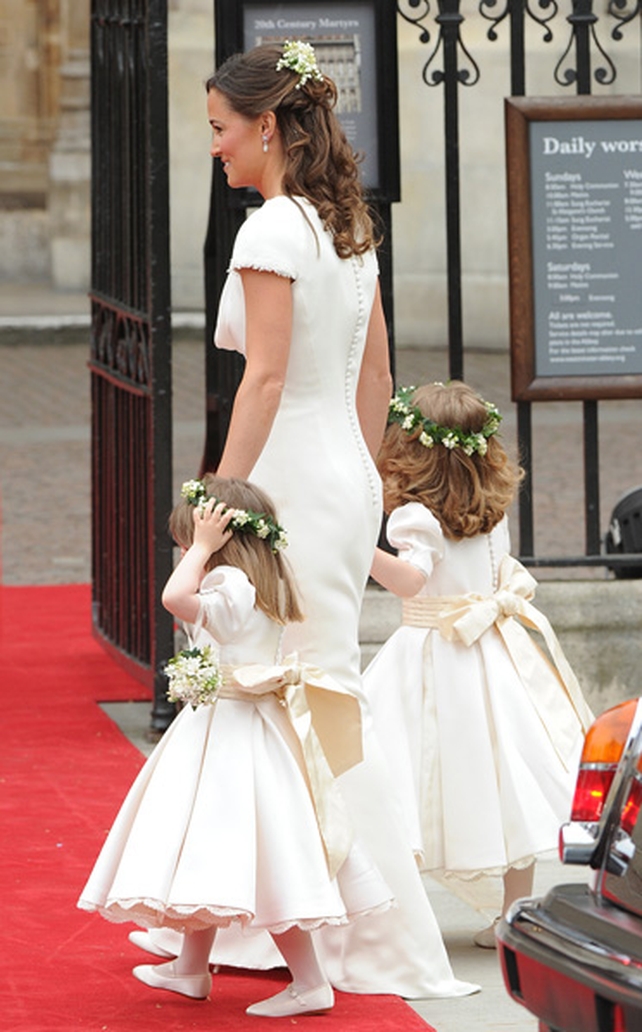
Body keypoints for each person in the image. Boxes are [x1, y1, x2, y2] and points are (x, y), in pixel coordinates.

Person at [132, 40, 477, 998]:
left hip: (287, 476)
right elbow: (375, 378)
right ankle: (269, 928)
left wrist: (217, 498)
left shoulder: (271, 231)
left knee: (285, 695)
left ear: (269, 126)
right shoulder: (348, 225)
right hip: (339, 479)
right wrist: (365, 482)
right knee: (314, 696)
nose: (214, 148)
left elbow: (268, 378)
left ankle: (345, 936)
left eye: (219, 129)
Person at [78, 474, 394, 1018]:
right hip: (230, 726)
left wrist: (199, 550)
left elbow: (173, 597)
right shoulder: (258, 579)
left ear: (219, 539)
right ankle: (188, 968)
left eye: (188, 540)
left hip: (231, 733)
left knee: (261, 856)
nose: (184, 550)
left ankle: (310, 982)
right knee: (210, 845)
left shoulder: (229, 583)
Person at [364, 381, 595, 947]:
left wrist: (354, 547)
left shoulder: (415, 518)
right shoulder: (492, 512)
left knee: (399, 776)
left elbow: (413, 579)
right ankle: (514, 914)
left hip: (432, 654)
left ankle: (395, 915)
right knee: (506, 780)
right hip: (494, 653)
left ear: (412, 452)